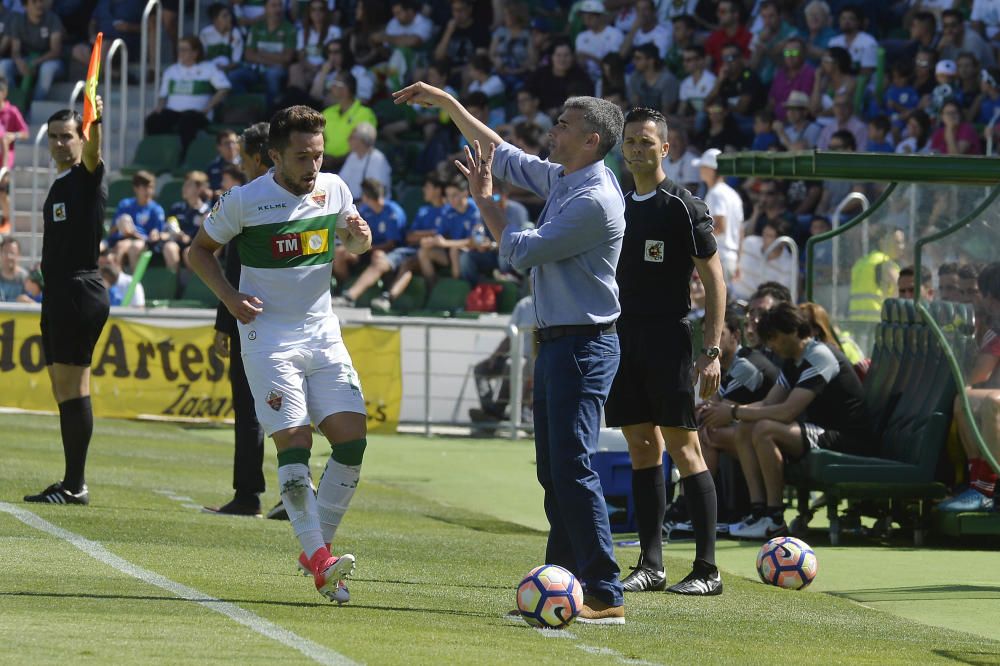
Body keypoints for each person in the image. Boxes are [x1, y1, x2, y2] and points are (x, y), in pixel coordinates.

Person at [394, 81, 627, 623]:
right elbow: (506, 156)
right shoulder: (574, 177)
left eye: (563, 124)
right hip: (562, 344)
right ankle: (565, 579)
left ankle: (605, 592)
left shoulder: (594, 198)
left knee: (572, 468)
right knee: (555, 470)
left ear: (591, 139)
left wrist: (482, 199)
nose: (553, 130)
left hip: (583, 346)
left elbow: (518, 253)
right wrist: (452, 104)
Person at [188, 106, 373, 603]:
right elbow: (198, 251)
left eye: (318, 154)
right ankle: (318, 558)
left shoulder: (334, 188)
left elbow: (354, 242)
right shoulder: (244, 201)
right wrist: (229, 298)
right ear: (274, 155)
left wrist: (357, 237)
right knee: (294, 442)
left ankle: (318, 546)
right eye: (301, 156)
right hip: (268, 336)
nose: (312, 165)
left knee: (352, 439)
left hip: (322, 331)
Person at [606, 107, 726, 596]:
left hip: (669, 339)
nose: (637, 149)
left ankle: (707, 570)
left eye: (646, 141)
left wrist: (712, 349)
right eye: (630, 141)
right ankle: (651, 564)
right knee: (641, 447)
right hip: (620, 339)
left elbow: (716, 282)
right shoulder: (611, 200)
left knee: (684, 447)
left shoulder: (683, 206)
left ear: (665, 148)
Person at [702, 302, 876, 539]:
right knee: (746, 428)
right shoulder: (792, 360)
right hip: (819, 431)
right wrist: (730, 411)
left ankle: (774, 518)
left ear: (793, 331)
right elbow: (767, 404)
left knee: (764, 430)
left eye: (773, 338)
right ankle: (758, 512)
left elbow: (786, 412)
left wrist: (733, 413)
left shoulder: (819, 356)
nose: (771, 345)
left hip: (845, 437)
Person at [23, 100, 110, 505]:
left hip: (79, 290)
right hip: (59, 292)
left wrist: (96, 120)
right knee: (64, 390)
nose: (60, 143)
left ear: (82, 138)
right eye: (54, 136)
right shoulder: (61, 182)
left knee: (74, 389)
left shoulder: (87, 175)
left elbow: (94, 154)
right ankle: (71, 481)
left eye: (68, 136)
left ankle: (76, 485)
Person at [202, 122, 271, 519]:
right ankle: (292, 493)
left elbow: (227, 264)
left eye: (243, 156)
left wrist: (224, 324)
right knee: (291, 410)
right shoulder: (294, 199)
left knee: (250, 410)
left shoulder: (244, 199)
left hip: (251, 319)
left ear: (259, 158)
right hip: (282, 319)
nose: (238, 163)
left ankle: (248, 494)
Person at [938, 262, 1000, 512]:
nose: (966, 299)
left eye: (972, 293)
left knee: (989, 402)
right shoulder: (986, 326)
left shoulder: (997, 328)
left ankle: (986, 486)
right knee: (964, 401)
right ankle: (977, 484)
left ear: (986, 295)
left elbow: (980, 374)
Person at [332, 178, 405, 298]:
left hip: (386, 251)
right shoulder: (365, 211)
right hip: (366, 249)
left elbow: (392, 243)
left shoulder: (393, 212)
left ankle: (354, 293)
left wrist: (369, 247)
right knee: (340, 253)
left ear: (365, 196)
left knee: (379, 255)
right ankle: (342, 285)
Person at [696, 148, 743, 283]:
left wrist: (696, 240)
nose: (700, 169)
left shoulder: (715, 193)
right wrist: (738, 262)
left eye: (703, 166)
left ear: (711, 169)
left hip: (719, 258)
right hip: (731, 259)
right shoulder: (733, 194)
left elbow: (720, 227)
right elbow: (740, 232)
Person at [337, 122, 392, 201]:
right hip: (352, 203)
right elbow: (341, 181)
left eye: (352, 137)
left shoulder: (378, 159)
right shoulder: (353, 156)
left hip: (371, 206)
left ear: (362, 140)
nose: (348, 139)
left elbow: (377, 192)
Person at [0, 236, 28, 302]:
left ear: (19, 255)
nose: (9, 256)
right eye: (5, 252)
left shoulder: (26, 278)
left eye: (12, 253)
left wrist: (28, 301)